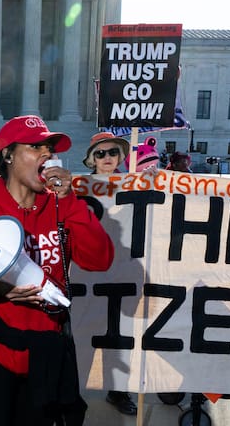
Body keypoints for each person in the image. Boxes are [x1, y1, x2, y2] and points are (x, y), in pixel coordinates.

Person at [0, 115, 114, 426]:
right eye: (35, 147)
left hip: (47, 355)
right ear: (8, 155)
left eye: (49, 148)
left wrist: (69, 202)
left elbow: (100, 260)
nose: (47, 154)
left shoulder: (64, 207)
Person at [83, 132, 138, 417]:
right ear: (91, 159)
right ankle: (73, 388)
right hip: (86, 273)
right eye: (101, 153)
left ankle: (118, 391)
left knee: (119, 335)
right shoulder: (78, 187)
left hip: (122, 272)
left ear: (121, 157)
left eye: (113, 152)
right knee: (84, 332)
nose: (107, 158)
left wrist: (155, 181)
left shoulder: (134, 185)